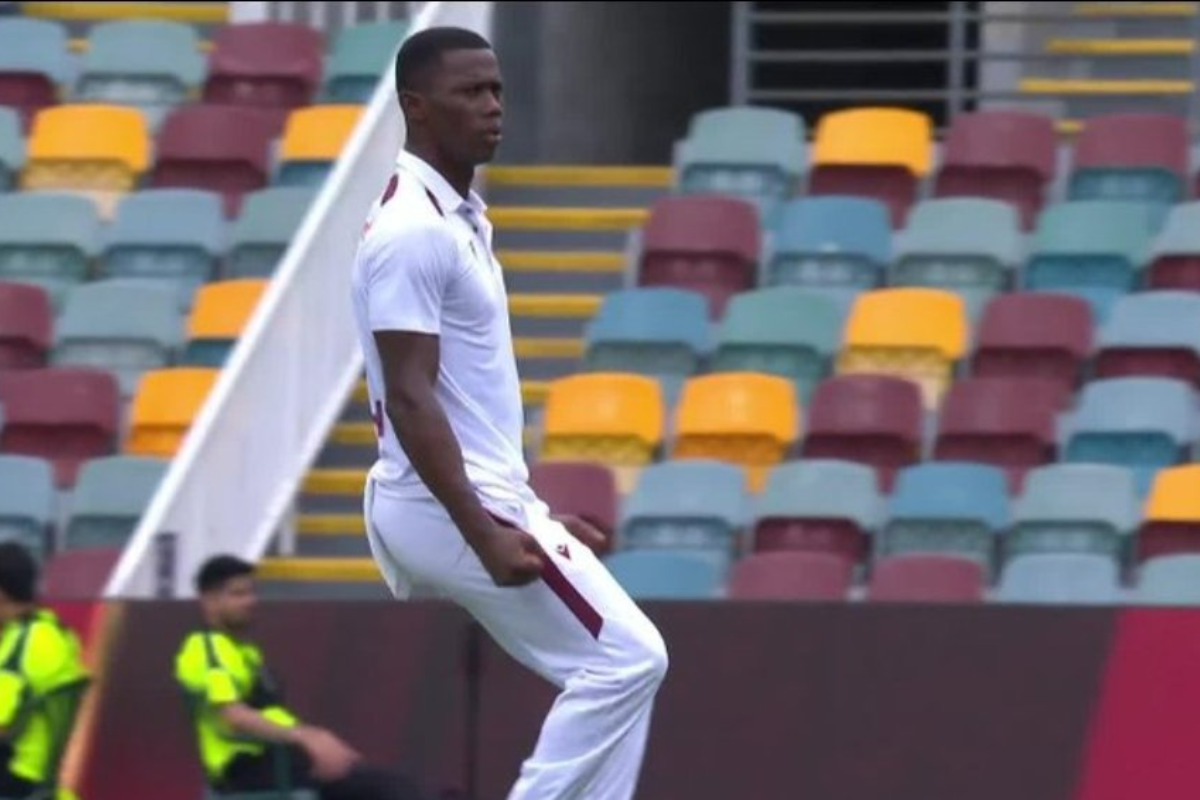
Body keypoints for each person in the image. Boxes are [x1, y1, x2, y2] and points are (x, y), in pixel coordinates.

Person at [350, 26, 668, 800]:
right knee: (626, 658)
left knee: (621, 666)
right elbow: (412, 394)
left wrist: (533, 510)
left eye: (496, 90)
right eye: (470, 93)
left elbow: (456, 395)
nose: (493, 107)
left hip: (484, 494)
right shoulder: (411, 232)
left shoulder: (454, 214)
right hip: (445, 502)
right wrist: (483, 525)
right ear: (416, 109)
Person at [174, 555, 424, 800]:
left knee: (377, 779)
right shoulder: (205, 648)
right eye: (238, 594)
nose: (250, 601)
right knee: (389, 789)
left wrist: (314, 740)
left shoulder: (242, 651)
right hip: (246, 766)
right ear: (209, 602)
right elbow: (233, 716)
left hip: (277, 755)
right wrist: (305, 739)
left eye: (251, 592)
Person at [0, 542, 89, 798]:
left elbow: (2, 725)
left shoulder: (19, 648)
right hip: (48, 778)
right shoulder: (54, 631)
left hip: (17, 777)